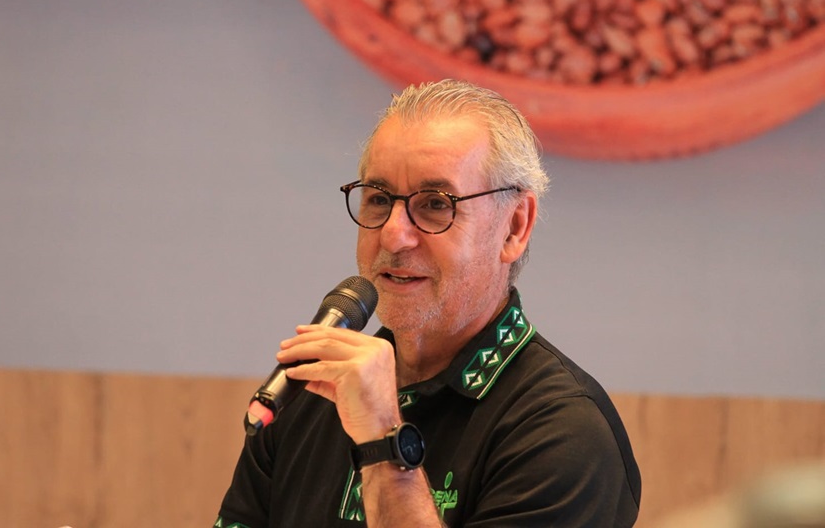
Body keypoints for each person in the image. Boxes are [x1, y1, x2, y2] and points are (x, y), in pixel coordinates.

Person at [215, 79, 641, 527]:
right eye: (379, 199)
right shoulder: (306, 394)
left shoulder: (564, 431)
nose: (394, 235)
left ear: (514, 227)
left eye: (436, 204)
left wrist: (383, 440)